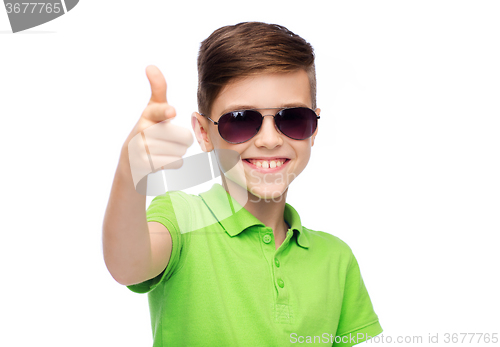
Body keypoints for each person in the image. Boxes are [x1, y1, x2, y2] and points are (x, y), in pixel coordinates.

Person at [103, 21, 383, 346]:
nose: (268, 140)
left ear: (314, 127)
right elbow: (127, 265)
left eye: (291, 118)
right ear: (204, 133)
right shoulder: (182, 219)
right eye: (241, 121)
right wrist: (129, 170)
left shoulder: (336, 258)